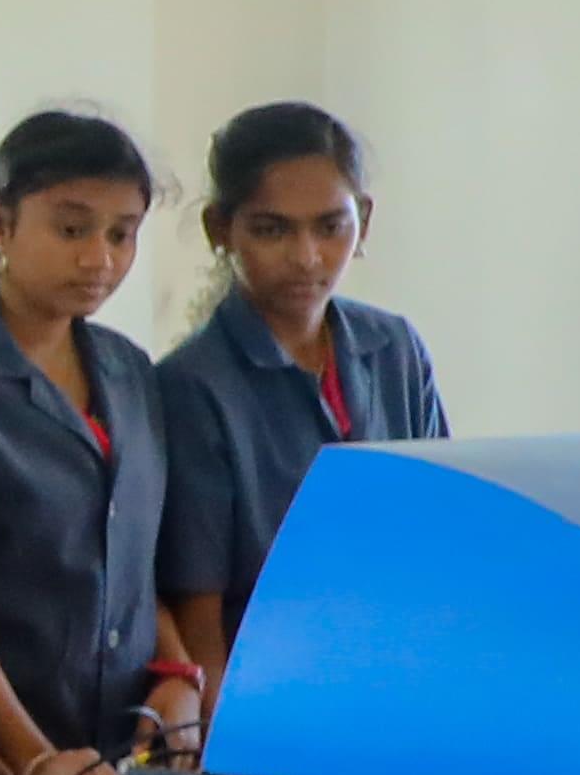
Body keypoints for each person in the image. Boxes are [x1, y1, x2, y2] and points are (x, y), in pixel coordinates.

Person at [0, 108, 196, 775]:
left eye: (121, 233)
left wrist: (175, 676)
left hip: (118, 770)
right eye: (72, 230)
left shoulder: (131, 374)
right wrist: (33, 756)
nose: (99, 258)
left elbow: (139, 569)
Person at [153, 98, 448, 685]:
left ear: (363, 219)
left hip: (399, 664)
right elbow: (199, 606)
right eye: (271, 230)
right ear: (221, 230)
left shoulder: (394, 348)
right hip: (267, 684)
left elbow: (438, 522)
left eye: (330, 226)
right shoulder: (193, 382)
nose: (307, 257)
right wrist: (215, 733)